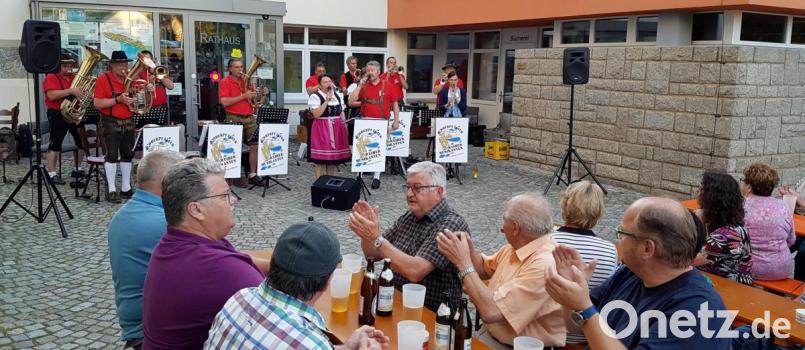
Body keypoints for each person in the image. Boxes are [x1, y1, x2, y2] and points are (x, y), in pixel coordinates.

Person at [545, 197, 732, 349]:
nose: (619, 242)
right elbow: (575, 326)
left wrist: (585, 307)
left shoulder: (698, 311)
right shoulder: (630, 274)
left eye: (622, 233)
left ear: (647, 248)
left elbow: (587, 317)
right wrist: (574, 298)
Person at [141, 158, 270, 349]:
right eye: (225, 195)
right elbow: (282, 319)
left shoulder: (174, 243)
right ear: (196, 209)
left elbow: (246, 260)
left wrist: (285, 262)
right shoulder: (219, 269)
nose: (234, 200)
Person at [205, 222, 390, 350]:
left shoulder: (240, 298)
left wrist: (347, 347)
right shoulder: (309, 342)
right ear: (330, 278)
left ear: (273, 264)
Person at [436, 193, 566, 348]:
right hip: (489, 337)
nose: (501, 228)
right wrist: (469, 249)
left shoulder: (544, 264)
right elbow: (484, 270)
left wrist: (462, 262)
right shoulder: (517, 247)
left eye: (504, 220)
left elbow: (491, 312)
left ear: (516, 228)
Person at [348, 161, 469, 310]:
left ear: (438, 192)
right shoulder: (410, 216)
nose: (409, 194)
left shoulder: (451, 224)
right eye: (408, 187)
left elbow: (415, 271)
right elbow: (372, 254)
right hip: (394, 302)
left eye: (417, 188)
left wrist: (376, 238)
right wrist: (366, 232)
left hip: (430, 317)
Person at [108, 150, 184, 350]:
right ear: (170, 182)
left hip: (138, 327)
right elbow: (216, 268)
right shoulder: (165, 222)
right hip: (155, 333)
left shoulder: (123, 214)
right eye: (186, 181)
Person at [550, 180, 618, 345]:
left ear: (565, 206)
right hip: (588, 336)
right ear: (598, 211)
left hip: (548, 333)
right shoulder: (610, 250)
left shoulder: (547, 241)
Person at [692, 171, 753, 285]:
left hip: (732, 288)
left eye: (701, 190)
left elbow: (685, 261)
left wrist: (697, 224)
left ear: (712, 198)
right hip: (713, 279)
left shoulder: (726, 234)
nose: (697, 194)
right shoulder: (722, 222)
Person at [348, 61, 400, 189]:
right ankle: (359, 175)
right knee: (363, 147)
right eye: (368, 70)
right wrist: (360, 85)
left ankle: (377, 177)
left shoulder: (387, 85)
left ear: (378, 72)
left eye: (372, 70)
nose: (369, 73)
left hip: (381, 121)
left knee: (379, 149)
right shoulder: (363, 86)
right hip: (365, 120)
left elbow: (395, 104)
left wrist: (396, 120)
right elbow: (350, 101)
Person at [94, 50, 136, 203]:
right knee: (111, 155)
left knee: (127, 154)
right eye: (119, 65)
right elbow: (97, 103)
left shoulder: (131, 78)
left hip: (129, 120)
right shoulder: (103, 79)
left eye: (125, 64)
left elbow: (140, 97)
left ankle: (126, 188)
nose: (123, 68)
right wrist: (118, 99)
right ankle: (111, 189)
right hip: (110, 120)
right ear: (112, 65)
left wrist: (148, 90)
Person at [741, 163, 795, 280]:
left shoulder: (741, 206)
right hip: (783, 267)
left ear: (749, 186)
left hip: (751, 267)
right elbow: (791, 240)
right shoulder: (783, 206)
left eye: (744, 181)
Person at [218, 57, 264, 186]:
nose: (240, 70)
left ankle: (253, 174)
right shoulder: (225, 82)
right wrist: (244, 96)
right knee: (234, 148)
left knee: (255, 146)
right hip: (233, 116)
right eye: (237, 67)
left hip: (249, 116)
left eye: (241, 67)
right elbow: (224, 102)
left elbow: (253, 102)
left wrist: (260, 96)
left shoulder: (246, 81)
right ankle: (234, 176)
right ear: (230, 69)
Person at [44, 52, 87, 185]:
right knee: (56, 143)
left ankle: (77, 168)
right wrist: (71, 91)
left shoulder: (74, 77)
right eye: (65, 66)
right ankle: (51, 173)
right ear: (58, 66)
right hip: (57, 113)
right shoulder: (51, 77)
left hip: (73, 112)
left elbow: (81, 92)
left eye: (70, 65)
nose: (69, 68)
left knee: (81, 142)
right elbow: (51, 95)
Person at [307, 74, 350, 178]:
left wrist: (345, 127)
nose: (328, 84)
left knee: (333, 160)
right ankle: (319, 185)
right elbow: (316, 114)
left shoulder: (337, 95)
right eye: (325, 82)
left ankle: (330, 184)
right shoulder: (315, 96)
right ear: (320, 86)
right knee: (321, 160)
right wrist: (326, 101)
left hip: (337, 128)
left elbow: (341, 112)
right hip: (321, 128)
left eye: (329, 81)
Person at [139, 50, 174, 117]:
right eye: (143, 60)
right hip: (145, 108)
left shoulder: (159, 71)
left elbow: (171, 86)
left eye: (148, 59)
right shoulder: (138, 73)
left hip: (161, 108)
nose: (146, 62)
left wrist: (158, 73)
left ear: (152, 60)